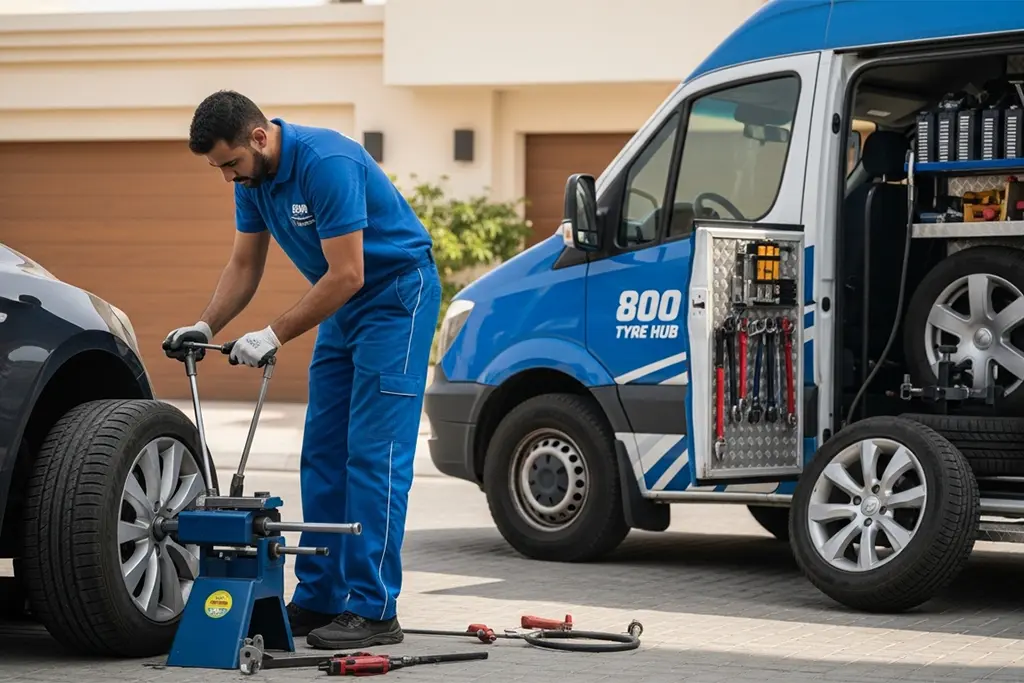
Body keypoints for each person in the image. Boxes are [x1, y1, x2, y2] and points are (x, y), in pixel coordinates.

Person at [162, 90, 441, 651]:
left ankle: (373, 607)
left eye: (230, 164)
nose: (227, 179)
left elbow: (349, 273)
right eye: (218, 169)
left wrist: (272, 334)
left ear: (259, 139)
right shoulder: (254, 181)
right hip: (343, 305)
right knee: (322, 454)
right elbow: (244, 263)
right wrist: (206, 326)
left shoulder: (326, 163)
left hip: (394, 299)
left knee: (373, 454)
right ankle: (320, 595)